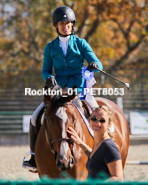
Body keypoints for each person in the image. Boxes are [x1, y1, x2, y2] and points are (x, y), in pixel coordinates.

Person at [23, 6, 103, 168]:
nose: (65, 26)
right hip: (58, 90)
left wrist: (94, 64)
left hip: (80, 89)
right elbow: (45, 71)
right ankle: (33, 156)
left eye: (67, 23)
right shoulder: (50, 47)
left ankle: (105, 150)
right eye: (61, 23)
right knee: (34, 118)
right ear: (56, 25)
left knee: (99, 114)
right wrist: (50, 78)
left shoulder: (81, 43)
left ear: (72, 24)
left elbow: (98, 64)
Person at [67, 105, 123, 181]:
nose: (97, 123)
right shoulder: (99, 144)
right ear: (89, 121)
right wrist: (79, 142)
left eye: (102, 120)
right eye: (94, 118)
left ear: (109, 125)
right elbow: (96, 158)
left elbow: (118, 178)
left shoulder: (108, 146)